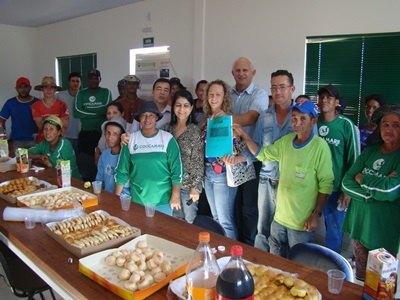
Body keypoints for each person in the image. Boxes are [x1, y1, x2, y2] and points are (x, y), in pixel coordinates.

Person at [234, 101, 334, 258]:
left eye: (303, 119)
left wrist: (316, 214)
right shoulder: (286, 142)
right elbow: (262, 154)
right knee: (276, 264)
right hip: (279, 219)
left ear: (313, 121)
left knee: (299, 268)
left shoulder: (320, 147)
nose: (297, 123)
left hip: (301, 225)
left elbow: (326, 184)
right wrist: (245, 135)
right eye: (294, 118)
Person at [341, 104, 400, 281]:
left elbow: (389, 191)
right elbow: (346, 182)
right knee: (361, 281)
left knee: (382, 286)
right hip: (359, 225)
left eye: (396, 125)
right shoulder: (370, 151)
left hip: (384, 232)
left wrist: (363, 179)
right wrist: (370, 195)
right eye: (385, 124)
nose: (389, 129)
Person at [252, 70, 297, 252]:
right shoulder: (265, 116)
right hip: (266, 180)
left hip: (291, 183)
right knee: (263, 229)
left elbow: (311, 149)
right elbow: (256, 147)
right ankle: (262, 267)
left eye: (282, 87)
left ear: (292, 88)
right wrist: (238, 158)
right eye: (274, 87)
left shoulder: (302, 116)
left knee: (287, 232)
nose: (278, 92)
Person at [203, 79, 253, 240]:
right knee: (216, 219)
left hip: (223, 174)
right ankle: (220, 253)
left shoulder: (229, 121)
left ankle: (232, 258)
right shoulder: (207, 120)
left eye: (218, 94)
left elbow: (243, 148)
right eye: (211, 94)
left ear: (224, 97)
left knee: (225, 221)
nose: (214, 98)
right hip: (208, 172)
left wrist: (235, 154)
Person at [115, 101, 183, 215]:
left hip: (163, 200)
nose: (147, 119)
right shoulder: (130, 140)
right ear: (139, 118)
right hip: (138, 200)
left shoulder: (167, 139)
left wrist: (175, 195)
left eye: (151, 115)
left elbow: (177, 170)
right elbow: (122, 171)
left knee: (162, 232)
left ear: (156, 118)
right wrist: (116, 197)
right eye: (144, 115)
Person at [230, 57, 269, 245]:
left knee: (249, 208)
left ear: (253, 73)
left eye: (245, 70)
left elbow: (251, 118)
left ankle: (248, 245)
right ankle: (234, 243)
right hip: (229, 159)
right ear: (232, 73)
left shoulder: (259, 94)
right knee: (233, 205)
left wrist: (221, 120)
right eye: (237, 70)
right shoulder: (227, 93)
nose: (241, 73)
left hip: (250, 158)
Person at [317, 84, 360, 253]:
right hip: (313, 186)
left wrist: (347, 190)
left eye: (329, 97)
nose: (324, 100)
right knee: (309, 226)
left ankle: (332, 265)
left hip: (336, 188)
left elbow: (355, 160)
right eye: (322, 97)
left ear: (337, 102)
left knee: (334, 229)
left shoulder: (346, 125)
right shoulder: (312, 122)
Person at [163, 90, 204, 223]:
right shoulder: (167, 130)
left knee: (190, 223)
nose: (182, 109)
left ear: (191, 108)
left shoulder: (195, 131)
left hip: (188, 187)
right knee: (174, 223)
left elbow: (198, 161)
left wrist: (195, 187)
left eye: (186, 105)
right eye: (178, 105)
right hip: (169, 185)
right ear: (173, 107)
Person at [74, 69, 112, 181]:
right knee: (85, 165)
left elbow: (106, 110)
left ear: (100, 79)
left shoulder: (106, 92)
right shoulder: (81, 93)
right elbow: (77, 112)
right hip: (86, 134)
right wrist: (98, 112)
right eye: (91, 77)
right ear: (87, 80)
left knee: (102, 163)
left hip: (103, 134)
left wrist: (86, 110)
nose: (93, 80)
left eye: (96, 78)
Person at [0, 77, 38, 155]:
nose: (23, 89)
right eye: (20, 87)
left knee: (36, 165)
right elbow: (1, 121)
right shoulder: (10, 103)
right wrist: (3, 140)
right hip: (16, 142)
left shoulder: (37, 102)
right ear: (16, 88)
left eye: (25, 87)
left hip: (34, 141)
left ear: (30, 88)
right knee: (18, 165)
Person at [32, 76, 69, 143]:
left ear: (55, 89)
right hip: (42, 142)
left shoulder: (62, 105)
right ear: (42, 89)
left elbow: (65, 125)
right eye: (46, 87)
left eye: (51, 87)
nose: (49, 90)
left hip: (58, 141)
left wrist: (46, 119)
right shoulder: (36, 106)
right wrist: (58, 120)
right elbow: (41, 126)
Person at [95, 116, 127, 194]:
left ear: (122, 136)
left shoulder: (127, 156)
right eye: (108, 133)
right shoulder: (104, 155)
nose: (110, 137)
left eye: (115, 134)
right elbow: (99, 180)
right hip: (107, 197)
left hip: (123, 200)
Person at [57, 72, 82, 154]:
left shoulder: (84, 96)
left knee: (81, 161)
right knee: (66, 160)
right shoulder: (60, 96)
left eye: (77, 81)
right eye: (73, 81)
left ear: (80, 83)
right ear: (69, 82)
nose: (75, 83)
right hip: (65, 135)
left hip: (81, 135)